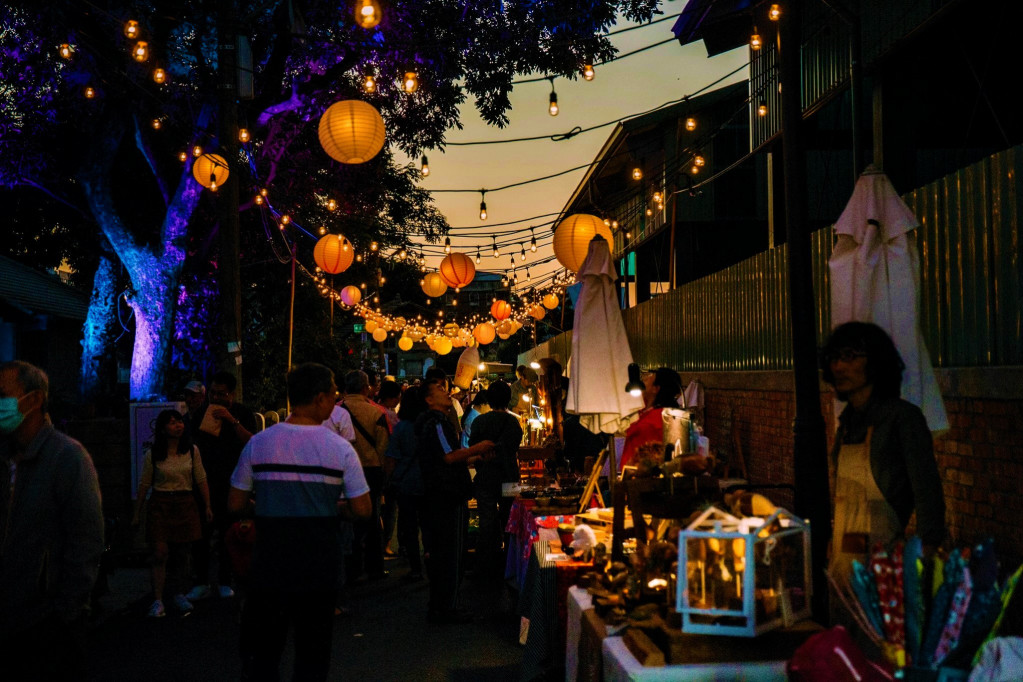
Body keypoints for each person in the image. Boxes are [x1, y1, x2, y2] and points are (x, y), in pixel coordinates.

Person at [229, 363, 371, 682]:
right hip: (320, 563)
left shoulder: (259, 443)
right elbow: (363, 509)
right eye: (333, 395)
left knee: (264, 652)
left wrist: (269, 502)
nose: (335, 402)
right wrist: (334, 507)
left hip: (269, 563)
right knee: (312, 653)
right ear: (320, 398)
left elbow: (235, 503)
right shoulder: (340, 449)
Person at [0, 361, 104, 681]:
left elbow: (86, 540)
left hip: (47, 625)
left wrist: (67, 611)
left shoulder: (68, 458)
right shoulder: (4, 458)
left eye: (3, 395)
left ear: (33, 400)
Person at [820, 321, 945, 584]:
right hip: (843, 570)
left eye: (849, 357)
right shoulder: (846, 424)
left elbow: (927, 493)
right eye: (834, 358)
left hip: (885, 573)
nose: (838, 366)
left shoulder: (902, 419)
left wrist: (927, 554)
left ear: (876, 362)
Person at [417, 378, 495, 623]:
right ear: (429, 400)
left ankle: (441, 605)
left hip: (438, 494)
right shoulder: (437, 422)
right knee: (451, 552)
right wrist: (477, 448)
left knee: (444, 551)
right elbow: (449, 458)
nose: (446, 391)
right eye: (440, 389)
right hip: (446, 496)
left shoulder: (436, 422)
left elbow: (445, 460)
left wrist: (474, 458)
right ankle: (446, 607)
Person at [132, 409, 213, 617]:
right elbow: (145, 483)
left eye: (179, 421)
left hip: (185, 501)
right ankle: (158, 599)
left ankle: (178, 593)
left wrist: (207, 505)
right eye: (172, 422)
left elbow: (201, 479)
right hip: (161, 502)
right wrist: (137, 512)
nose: (178, 425)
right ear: (162, 428)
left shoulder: (192, 451)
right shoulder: (154, 453)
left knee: (182, 553)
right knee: (159, 552)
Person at [188, 370, 255, 601]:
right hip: (205, 482)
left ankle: (227, 580)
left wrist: (231, 419)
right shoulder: (199, 415)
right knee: (202, 535)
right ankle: (201, 581)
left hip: (233, 482)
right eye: (213, 393)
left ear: (232, 395)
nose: (216, 398)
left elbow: (252, 442)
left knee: (230, 532)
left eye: (222, 394)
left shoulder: (242, 413)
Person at [468, 380, 523, 577]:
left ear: (489, 400)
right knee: (511, 520)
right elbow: (513, 448)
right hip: (509, 478)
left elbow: (474, 449)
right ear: (508, 399)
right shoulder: (513, 423)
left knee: (487, 522)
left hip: (486, 478)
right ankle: (510, 563)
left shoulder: (479, 422)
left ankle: (485, 565)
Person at [341, 369, 389, 581]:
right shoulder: (377, 412)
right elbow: (383, 448)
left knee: (347, 520)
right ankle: (374, 568)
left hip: (343, 472)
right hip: (370, 470)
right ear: (365, 387)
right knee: (371, 520)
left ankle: (350, 568)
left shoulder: (335, 411)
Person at [383, 385, 428, 581]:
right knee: (428, 525)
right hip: (428, 481)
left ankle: (416, 568)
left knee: (410, 527)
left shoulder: (401, 427)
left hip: (406, 482)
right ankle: (430, 561)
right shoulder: (430, 424)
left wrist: (388, 480)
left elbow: (392, 457)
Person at [619, 367, 683, 470]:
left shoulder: (657, 419)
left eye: (649, 378)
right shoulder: (644, 408)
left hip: (640, 475)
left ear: (656, 389)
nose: (644, 380)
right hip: (630, 472)